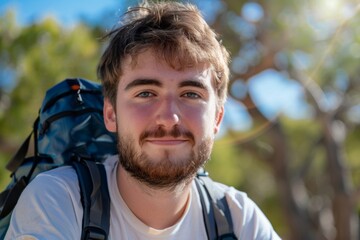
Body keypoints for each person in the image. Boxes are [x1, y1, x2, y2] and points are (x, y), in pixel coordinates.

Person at [5, 1, 281, 239]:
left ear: (217, 118)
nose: (169, 118)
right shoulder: (59, 199)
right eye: (146, 93)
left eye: (190, 94)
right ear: (111, 114)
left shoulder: (238, 219)